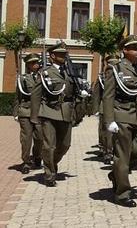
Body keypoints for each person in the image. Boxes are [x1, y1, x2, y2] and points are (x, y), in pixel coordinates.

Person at [103, 35, 137, 207]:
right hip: (122, 115)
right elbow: (108, 95)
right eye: (133, 48)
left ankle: (117, 173)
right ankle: (122, 193)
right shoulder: (115, 68)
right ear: (124, 50)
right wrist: (109, 120)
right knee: (122, 156)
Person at [30, 42, 87, 187]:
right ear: (53, 56)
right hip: (49, 110)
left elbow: (74, 93)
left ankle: (52, 163)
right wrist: (35, 117)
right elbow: (36, 95)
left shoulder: (70, 72)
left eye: (64, 54)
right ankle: (49, 174)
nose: (64, 56)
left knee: (65, 145)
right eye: (61, 54)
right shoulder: (45, 73)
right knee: (49, 146)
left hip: (66, 111)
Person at [15, 53, 43, 174]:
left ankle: (37, 156)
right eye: (33, 62)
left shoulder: (43, 77)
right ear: (28, 65)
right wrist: (16, 112)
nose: (36, 64)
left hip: (39, 112)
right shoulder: (23, 79)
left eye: (37, 62)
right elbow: (18, 96)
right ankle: (26, 162)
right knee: (26, 139)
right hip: (26, 111)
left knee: (40, 137)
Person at [91, 54, 119, 165]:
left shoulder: (121, 75)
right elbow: (96, 94)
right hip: (105, 107)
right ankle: (108, 153)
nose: (113, 65)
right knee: (106, 132)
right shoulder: (102, 77)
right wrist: (96, 109)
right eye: (111, 63)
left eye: (115, 63)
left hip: (119, 106)